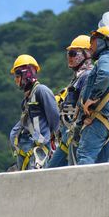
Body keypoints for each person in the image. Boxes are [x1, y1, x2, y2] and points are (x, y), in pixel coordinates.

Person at [76, 25, 109, 165]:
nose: (90, 44)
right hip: (108, 121)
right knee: (104, 165)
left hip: (98, 120)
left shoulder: (104, 60)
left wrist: (92, 98)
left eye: (94, 40)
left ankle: (83, 187)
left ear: (104, 42)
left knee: (85, 156)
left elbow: (105, 75)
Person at [47, 35, 94, 167]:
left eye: (73, 53)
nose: (69, 57)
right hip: (67, 136)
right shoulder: (78, 78)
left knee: (51, 171)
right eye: (68, 53)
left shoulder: (87, 76)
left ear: (87, 54)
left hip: (76, 136)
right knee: (51, 171)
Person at [9, 54, 60, 170]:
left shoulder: (41, 91)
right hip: (26, 148)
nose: (15, 80)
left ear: (26, 74)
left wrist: (47, 137)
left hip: (38, 149)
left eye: (17, 76)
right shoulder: (27, 99)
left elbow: (54, 117)